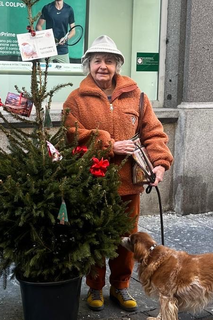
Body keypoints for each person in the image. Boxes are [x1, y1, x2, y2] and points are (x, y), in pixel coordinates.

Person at [63, 35, 173, 312]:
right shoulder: (76, 99)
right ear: (88, 64)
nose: (103, 66)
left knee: (128, 239)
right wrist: (107, 143)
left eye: (109, 61)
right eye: (97, 61)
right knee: (94, 235)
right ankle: (95, 287)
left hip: (128, 184)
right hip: (92, 183)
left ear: (117, 66)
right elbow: (70, 134)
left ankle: (121, 286)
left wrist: (160, 163)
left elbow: (154, 133)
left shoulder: (138, 97)